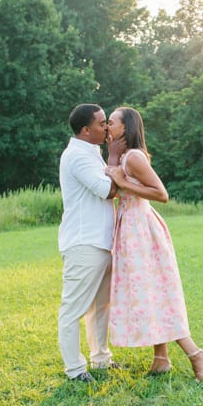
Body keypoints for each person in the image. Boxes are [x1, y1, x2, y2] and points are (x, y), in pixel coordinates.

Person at [104, 106, 203, 382]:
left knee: (152, 291)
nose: (107, 126)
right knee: (151, 291)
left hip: (140, 229)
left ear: (126, 128)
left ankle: (195, 353)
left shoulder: (133, 157)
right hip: (131, 226)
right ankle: (161, 359)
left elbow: (161, 194)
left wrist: (122, 179)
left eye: (112, 122)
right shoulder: (124, 157)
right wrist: (113, 159)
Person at [57, 103, 125, 383]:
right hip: (84, 243)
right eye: (101, 123)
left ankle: (101, 360)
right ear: (86, 130)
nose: (107, 127)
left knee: (101, 307)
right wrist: (116, 156)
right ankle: (74, 369)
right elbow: (108, 190)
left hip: (100, 242)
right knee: (73, 309)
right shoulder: (77, 156)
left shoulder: (91, 152)